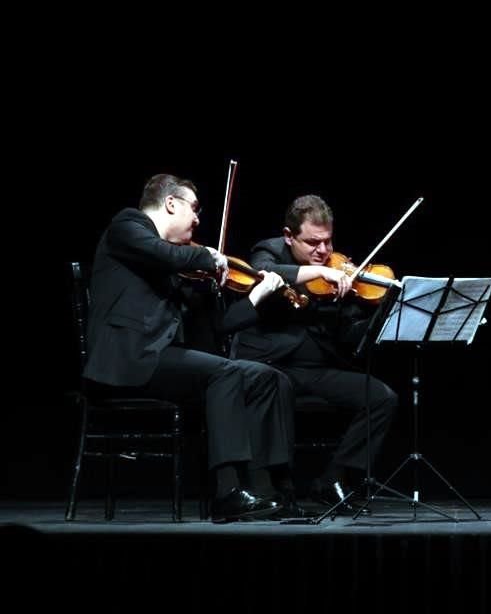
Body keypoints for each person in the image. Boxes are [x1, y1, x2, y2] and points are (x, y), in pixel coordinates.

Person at [82, 174, 297, 523]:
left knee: (266, 377)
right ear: (170, 203)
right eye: (193, 209)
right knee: (225, 373)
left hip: (161, 358)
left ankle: (267, 490)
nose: (198, 219)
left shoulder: (176, 262)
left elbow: (216, 326)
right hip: (128, 359)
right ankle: (227, 493)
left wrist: (252, 297)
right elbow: (160, 252)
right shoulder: (128, 226)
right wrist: (205, 257)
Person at [234, 194, 399, 513]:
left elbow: (349, 338)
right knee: (277, 387)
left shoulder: (340, 270)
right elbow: (264, 273)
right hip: (273, 367)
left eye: (327, 242)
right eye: (312, 242)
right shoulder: (268, 251)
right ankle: (278, 490)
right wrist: (317, 274)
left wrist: (371, 312)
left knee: (382, 397)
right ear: (288, 236)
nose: (322, 252)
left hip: (317, 369)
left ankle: (333, 479)